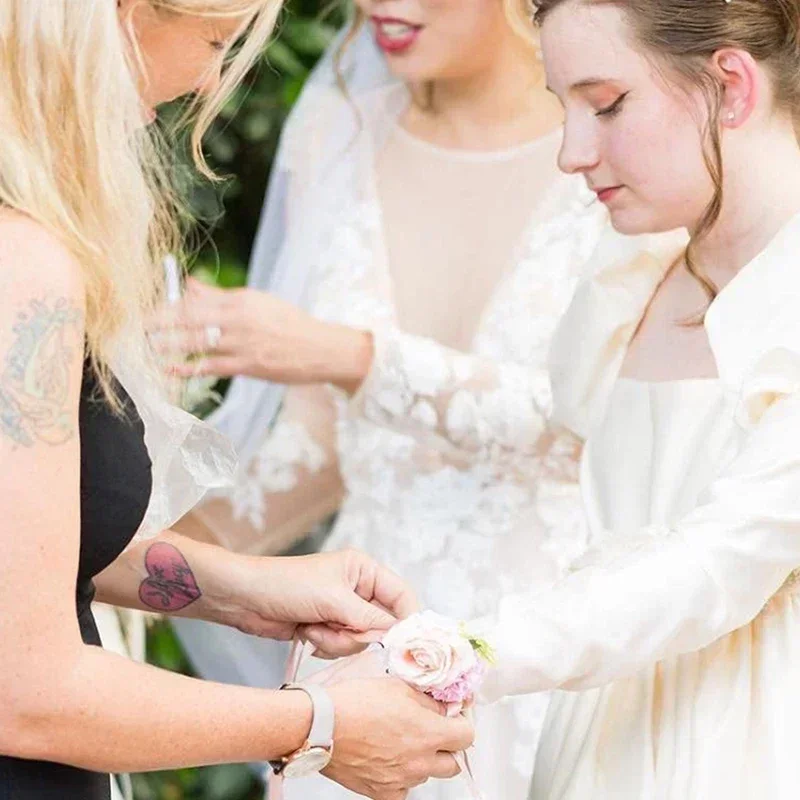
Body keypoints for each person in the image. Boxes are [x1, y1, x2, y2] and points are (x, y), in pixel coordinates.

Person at [154, 0, 677, 794]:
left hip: (563, 657)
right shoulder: (336, 135)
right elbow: (321, 451)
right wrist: (130, 537)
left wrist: (350, 357)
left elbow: (616, 422)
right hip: (369, 669)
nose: (379, 6)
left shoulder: (621, 139)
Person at [0, 3, 474, 800]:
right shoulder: (23, 266)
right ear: (115, 18)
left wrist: (243, 590)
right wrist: (319, 726)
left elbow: (27, 549)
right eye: (217, 41)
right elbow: (25, 690)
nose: (212, 80)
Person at [453, 0, 800, 797]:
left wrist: (467, 656)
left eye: (606, 104)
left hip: (755, 743)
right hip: (605, 735)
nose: (573, 153)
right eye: (564, 108)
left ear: (731, 87)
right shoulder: (629, 274)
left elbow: (718, 561)